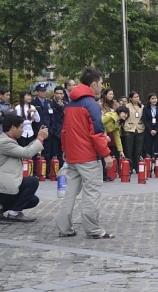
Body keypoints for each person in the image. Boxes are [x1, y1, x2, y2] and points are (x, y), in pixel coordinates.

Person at [56, 66, 115, 239]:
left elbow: (65, 131)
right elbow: (96, 133)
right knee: (92, 192)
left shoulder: (70, 105)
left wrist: (65, 150)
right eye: (101, 83)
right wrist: (106, 154)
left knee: (70, 193)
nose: (102, 87)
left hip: (73, 156)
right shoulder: (91, 105)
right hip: (88, 157)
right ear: (94, 84)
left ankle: (64, 227)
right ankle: (93, 229)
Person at [0, 113, 49, 222]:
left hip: (5, 187)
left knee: (32, 200)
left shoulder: (7, 140)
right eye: (21, 127)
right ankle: (14, 213)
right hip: (3, 188)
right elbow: (26, 153)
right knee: (32, 182)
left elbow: (24, 150)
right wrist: (40, 138)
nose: (22, 130)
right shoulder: (5, 142)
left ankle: (2, 208)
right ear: (13, 127)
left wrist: (37, 139)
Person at [102, 106, 129, 181]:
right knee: (101, 156)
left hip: (102, 138)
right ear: (119, 112)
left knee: (104, 156)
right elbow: (98, 124)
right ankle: (102, 176)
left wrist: (121, 151)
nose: (126, 116)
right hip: (97, 136)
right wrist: (105, 135)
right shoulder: (109, 116)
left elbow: (117, 136)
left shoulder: (118, 122)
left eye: (127, 114)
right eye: (125, 113)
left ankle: (104, 175)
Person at [47, 86, 68, 172]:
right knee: (52, 152)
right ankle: (51, 171)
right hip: (54, 132)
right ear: (54, 94)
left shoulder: (66, 104)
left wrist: (62, 107)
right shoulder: (50, 104)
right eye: (57, 93)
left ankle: (61, 170)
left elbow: (68, 116)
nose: (59, 95)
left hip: (64, 132)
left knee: (62, 153)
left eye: (61, 93)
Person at [123, 91, 145, 170]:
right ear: (131, 99)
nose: (137, 98)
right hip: (129, 129)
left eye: (138, 97)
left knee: (138, 150)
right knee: (129, 149)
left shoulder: (141, 106)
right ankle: (129, 167)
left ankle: (138, 167)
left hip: (140, 129)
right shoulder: (127, 106)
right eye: (135, 97)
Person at [142, 93, 158, 159]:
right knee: (148, 149)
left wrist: (156, 130)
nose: (154, 100)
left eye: (155, 98)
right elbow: (144, 120)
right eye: (152, 99)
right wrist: (150, 130)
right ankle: (148, 166)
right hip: (149, 131)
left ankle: (157, 166)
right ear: (149, 100)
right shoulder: (146, 108)